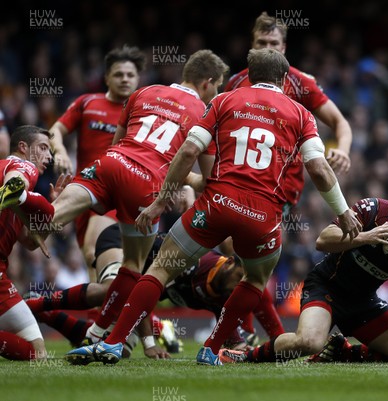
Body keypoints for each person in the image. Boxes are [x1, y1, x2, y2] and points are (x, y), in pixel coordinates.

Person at [64, 48, 361, 366]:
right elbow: (318, 169)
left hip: (216, 204)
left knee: (161, 269)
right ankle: (211, 348)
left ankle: (112, 342)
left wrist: (161, 201)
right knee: (253, 280)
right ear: (284, 78)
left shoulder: (224, 100)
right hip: (262, 215)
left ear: (248, 73)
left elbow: (189, 150)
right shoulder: (301, 114)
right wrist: (343, 213)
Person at [46, 49, 229, 347]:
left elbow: (116, 145)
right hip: (145, 186)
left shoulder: (143, 92)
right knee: (134, 265)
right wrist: (179, 182)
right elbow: (207, 178)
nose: (216, 93)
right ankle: (104, 333)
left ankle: (104, 330)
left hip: (107, 167)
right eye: (218, 86)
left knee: (46, 221)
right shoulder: (205, 113)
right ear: (208, 83)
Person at [221, 177, 388, 364]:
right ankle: (245, 356)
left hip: (364, 302)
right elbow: (322, 240)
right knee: (309, 342)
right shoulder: (372, 210)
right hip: (327, 286)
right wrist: (366, 236)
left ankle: (344, 351)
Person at [28, 223, 284, 357]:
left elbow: (233, 341)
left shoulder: (225, 296)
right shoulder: (193, 262)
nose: (242, 285)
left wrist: (245, 349)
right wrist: (150, 343)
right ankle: (34, 305)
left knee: (123, 352)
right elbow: (138, 287)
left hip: (140, 287)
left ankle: (44, 315)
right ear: (229, 263)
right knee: (113, 288)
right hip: (124, 241)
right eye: (241, 276)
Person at [224, 11, 352, 207]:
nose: (268, 48)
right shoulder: (235, 83)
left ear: (283, 48)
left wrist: (342, 150)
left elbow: (339, 122)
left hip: (281, 187)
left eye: (274, 43)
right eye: (261, 42)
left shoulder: (300, 82)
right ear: (252, 45)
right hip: (237, 178)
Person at [49, 45, 146, 276]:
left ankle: (124, 308)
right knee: (90, 259)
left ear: (138, 79)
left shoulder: (143, 111)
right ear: (106, 78)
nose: (125, 79)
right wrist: (60, 151)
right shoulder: (87, 103)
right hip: (83, 188)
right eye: (118, 74)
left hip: (118, 193)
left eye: (130, 75)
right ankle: (104, 311)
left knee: (96, 251)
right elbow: (55, 130)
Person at [0, 125, 62, 360]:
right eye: (43, 148)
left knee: (36, 353)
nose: (48, 156)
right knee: (38, 353)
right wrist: (21, 191)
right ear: (23, 148)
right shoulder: (21, 165)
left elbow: (29, 242)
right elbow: (16, 178)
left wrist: (51, 208)